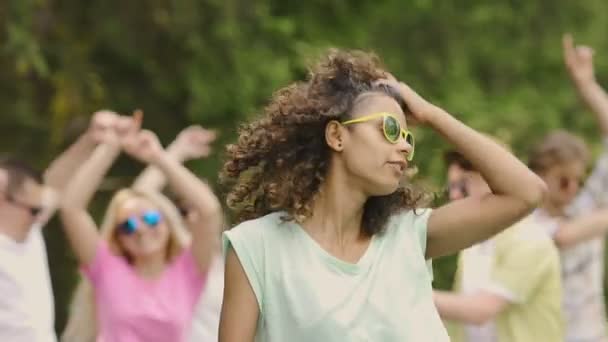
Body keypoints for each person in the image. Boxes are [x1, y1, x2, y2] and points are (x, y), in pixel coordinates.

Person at [218, 49, 547, 341]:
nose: (404, 145)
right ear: (337, 135)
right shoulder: (256, 248)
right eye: (390, 129)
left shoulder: (409, 235)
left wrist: (431, 115)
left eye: (407, 137)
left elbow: (526, 193)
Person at [59, 111, 222, 342]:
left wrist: (158, 156)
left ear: (167, 221)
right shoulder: (106, 268)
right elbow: (71, 208)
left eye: (151, 219)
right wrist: (110, 146)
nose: (141, 230)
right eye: (127, 226)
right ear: (118, 237)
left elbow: (209, 210)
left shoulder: (188, 270)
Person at [0, 111, 118, 342]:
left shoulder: (28, 234)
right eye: (33, 210)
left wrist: (91, 140)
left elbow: (55, 185)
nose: (38, 216)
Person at [434, 150, 562, 342]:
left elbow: (480, 310)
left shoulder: (530, 240)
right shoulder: (474, 241)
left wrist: (407, 292)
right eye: (450, 187)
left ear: (493, 181)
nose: (453, 195)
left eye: (462, 186)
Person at [528, 34, 608, 342]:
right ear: (541, 174)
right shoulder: (525, 220)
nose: (573, 188)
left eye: (579, 179)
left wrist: (587, 86)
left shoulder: (583, 207)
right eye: (564, 180)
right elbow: (563, 236)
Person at [131, 125, 225, 342]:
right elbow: (139, 197)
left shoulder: (235, 257)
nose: (193, 215)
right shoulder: (180, 257)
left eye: (198, 207)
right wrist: (174, 152)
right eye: (184, 209)